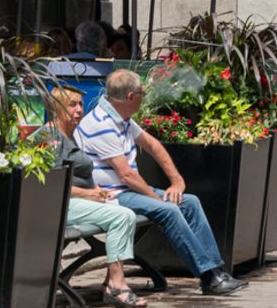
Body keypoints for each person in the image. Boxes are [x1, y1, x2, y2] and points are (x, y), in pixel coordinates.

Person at [75, 70, 245, 295]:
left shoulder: (121, 119)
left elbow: (153, 145)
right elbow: (126, 175)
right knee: (169, 210)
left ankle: (216, 271)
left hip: (128, 190)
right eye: (142, 93)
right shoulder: (101, 124)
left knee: (189, 202)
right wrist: (155, 198)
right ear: (131, 96)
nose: (144, 96)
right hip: (112, 195)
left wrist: (177, 181)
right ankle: (208, 277)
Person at [42, 87, 147, 308]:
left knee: (131, 210)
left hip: (80, 201)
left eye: (81, 104)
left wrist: (99, 190)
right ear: (57, 108)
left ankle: (112, 280)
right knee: (122, 216)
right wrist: (89, 194)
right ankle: (116, 285)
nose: (79, 109)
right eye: (72, 104)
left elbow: (81, 175)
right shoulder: (50, 138)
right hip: (60, 205)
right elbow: (52, 185)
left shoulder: (71, 134)